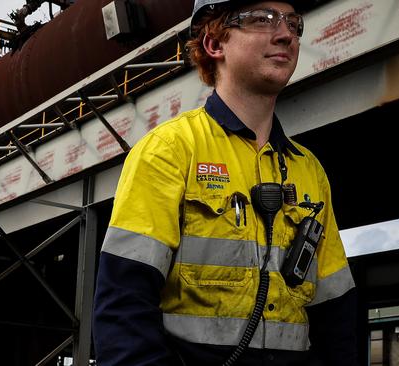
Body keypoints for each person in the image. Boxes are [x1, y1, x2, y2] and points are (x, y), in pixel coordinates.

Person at [92, 1, 359, 365]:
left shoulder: (308, 170)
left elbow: (336, 313)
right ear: (214, 45)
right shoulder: (170, 151)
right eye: (262, 19)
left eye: (293, 23)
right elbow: (124, 303)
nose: (286, 34)